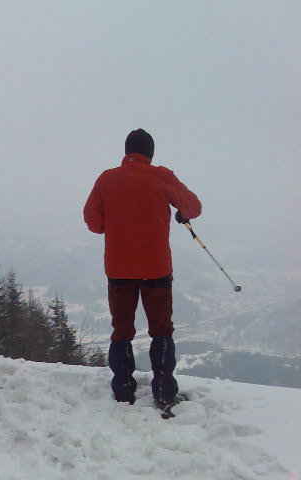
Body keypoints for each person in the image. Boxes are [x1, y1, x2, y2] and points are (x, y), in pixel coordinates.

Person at [83, 129, 202, 410]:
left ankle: (123, 391)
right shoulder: (160, 176)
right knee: (161, 329)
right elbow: (193, 207)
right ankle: (163, 392)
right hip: (156, 268)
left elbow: (93, 222)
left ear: (127, 152)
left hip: (118, 268)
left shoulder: (107, 178)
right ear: (150, 153)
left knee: (121, 329)